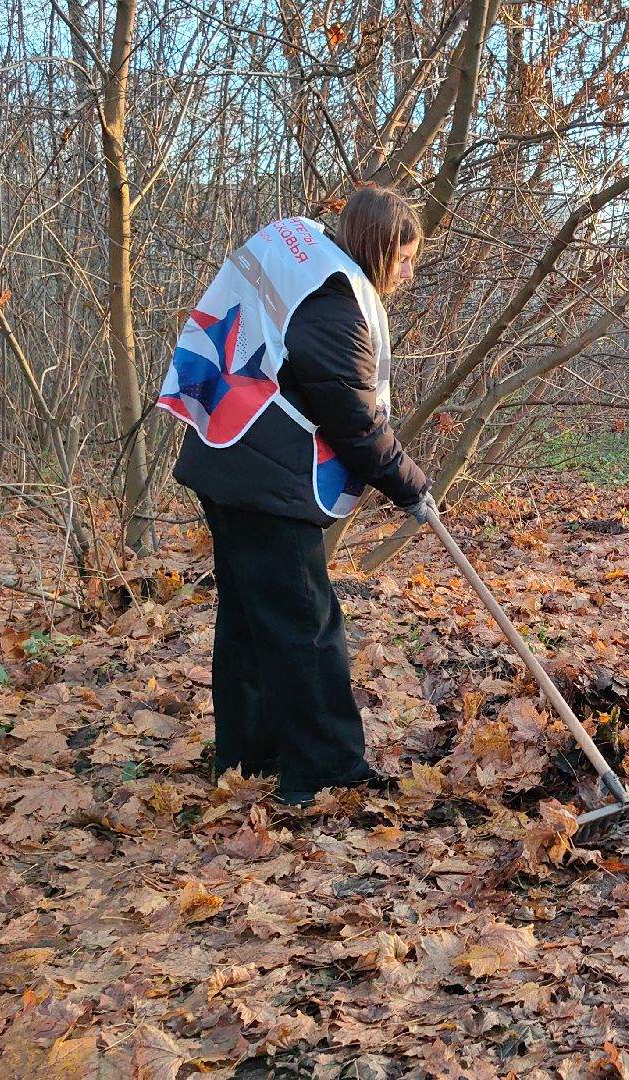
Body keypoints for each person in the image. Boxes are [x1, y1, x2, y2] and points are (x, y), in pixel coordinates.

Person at [157, 187, 432, 804]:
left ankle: (249, 758)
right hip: (268, 481)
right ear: (378, 248)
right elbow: (355, 421)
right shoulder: (335, 301)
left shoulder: (303, 258)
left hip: (227, 458)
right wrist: (411, 486)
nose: (407, 274)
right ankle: (325, 769)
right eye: (404, 259)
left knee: (250, 618)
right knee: (305, 622)